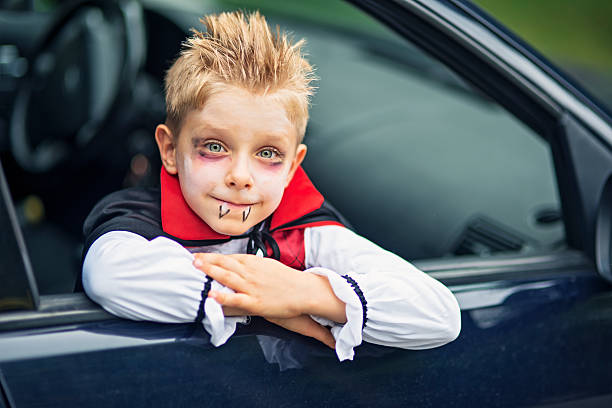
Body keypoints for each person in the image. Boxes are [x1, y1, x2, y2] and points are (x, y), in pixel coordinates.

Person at [80, 11, 461, 361]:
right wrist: (262, 302)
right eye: (214, 147)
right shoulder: (135, 218)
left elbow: (440, 315)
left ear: (293, 166)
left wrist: (301, 293)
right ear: (169, 150)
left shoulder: (305, 228)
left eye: (268, 154)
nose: (241, 176)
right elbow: (107, 275)